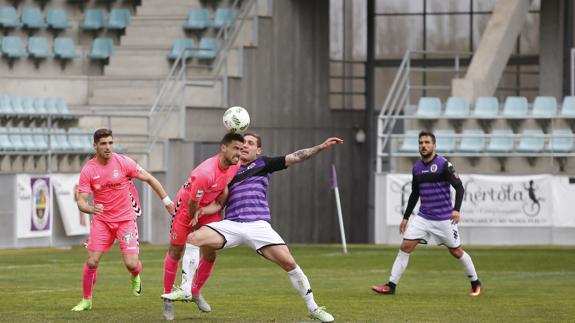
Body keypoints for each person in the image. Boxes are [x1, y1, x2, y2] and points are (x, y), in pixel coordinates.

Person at [163, 133, 343, 323]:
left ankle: (313, 308)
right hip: (232, 224)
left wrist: (321, 147)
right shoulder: (229, 172)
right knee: (193, 239)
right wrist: (202, 210)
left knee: (290, 264)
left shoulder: (264, 164)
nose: (245, 147)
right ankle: (185, 289)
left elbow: (297, 156)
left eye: (250, 143)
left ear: (258, 151)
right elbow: (219, 203)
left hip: (258, 225)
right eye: (242, 144)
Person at [72, 128, 175, 311]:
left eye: (110, 143)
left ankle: (135, 275)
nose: (108, 147)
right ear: (95, 146)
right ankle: (86, 300)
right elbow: (81, 202)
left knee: (131, 264)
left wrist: (167, 202)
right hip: (102, 221)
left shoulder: (123, 162)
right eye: (103, 144)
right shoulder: (89, 170)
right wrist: (91, 209)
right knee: (92, 261)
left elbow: (150, 179)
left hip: (125, 220)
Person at [371, 131, 481, 297]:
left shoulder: (444, 165)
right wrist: (406, 217)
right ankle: (391, 286)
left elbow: (459, 187)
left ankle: (475, 282)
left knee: (456, 252)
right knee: (405, 247)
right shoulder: (416, 168)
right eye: (421, 142)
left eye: (427, 142)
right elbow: (415, 194)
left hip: (444, 219)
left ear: (434, 146)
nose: (423, 145)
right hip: (423, 217)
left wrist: (456, 210)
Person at [161, 132, 244, 320]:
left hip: (208, 209)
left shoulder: (235, 165)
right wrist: (194, 219)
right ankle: (167, 298)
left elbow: (223, 193)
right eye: (236, 149)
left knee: (210, 253)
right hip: (186, 209)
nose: (239, 153)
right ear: (223, 148)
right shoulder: (205, 173)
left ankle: (195, 292)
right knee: (176, 250)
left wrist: (206, 211)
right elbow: (192, 204)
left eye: (241, 149)